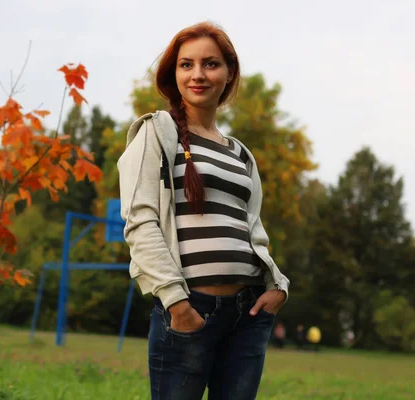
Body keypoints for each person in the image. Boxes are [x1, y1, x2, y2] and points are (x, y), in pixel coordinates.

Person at [117, 21, 290, 400]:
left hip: (249, 315)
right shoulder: (156, 133)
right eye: (186, 64)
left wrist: (278, 286)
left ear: (229, 74)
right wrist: (176, 303)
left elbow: (253, 229)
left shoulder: (239, 152)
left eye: (210, 64)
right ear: (173, 73)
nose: (198, 74)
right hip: (189, 312)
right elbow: (140, 221)